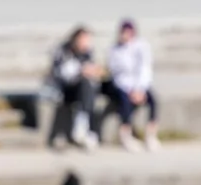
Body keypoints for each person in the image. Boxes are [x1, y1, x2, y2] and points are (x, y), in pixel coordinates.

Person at [107, 19, 160, 153]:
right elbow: (116, 73)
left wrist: (140, 89)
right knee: (125, 103)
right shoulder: (115, 50)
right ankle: (126, 135)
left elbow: (145, 68)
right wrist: (130, 90)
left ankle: (150, 135)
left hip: (140, 85)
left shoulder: (141, 46)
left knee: (153, 101)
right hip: (124, 86)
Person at [49, 26, 104, 150]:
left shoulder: (87, 52)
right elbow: (62, 74)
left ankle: (83, 130)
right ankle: (81, 130)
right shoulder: (62, 50)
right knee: (86, 86)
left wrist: (94, 71)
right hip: (62, 88)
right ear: (76, 39)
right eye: (84, 40)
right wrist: (81, 70)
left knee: (89, 87)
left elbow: (90, 68)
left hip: (80, 88)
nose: (86, 44)